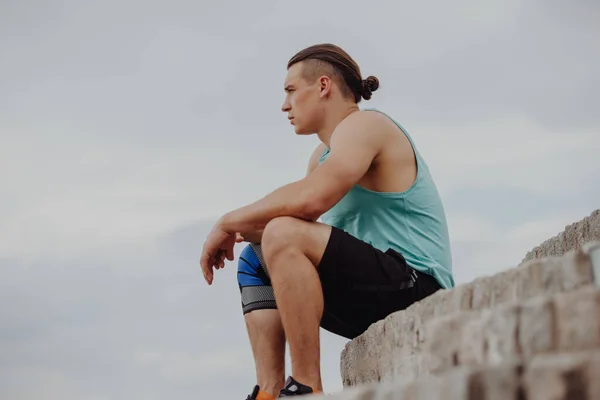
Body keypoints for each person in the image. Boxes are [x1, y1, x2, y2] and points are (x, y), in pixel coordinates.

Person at [199, 43, 454, 399]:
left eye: (290, 91)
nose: (284, 105)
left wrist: (227, 221)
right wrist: (240, 232)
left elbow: (309, 200)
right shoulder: (322, 156)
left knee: (282, 233)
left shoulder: (367, 125)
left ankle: (306, 387)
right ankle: (270, 391)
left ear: (322, 86)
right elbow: (295, 220)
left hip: (418, 290)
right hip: (372, 294)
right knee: (255, 256)